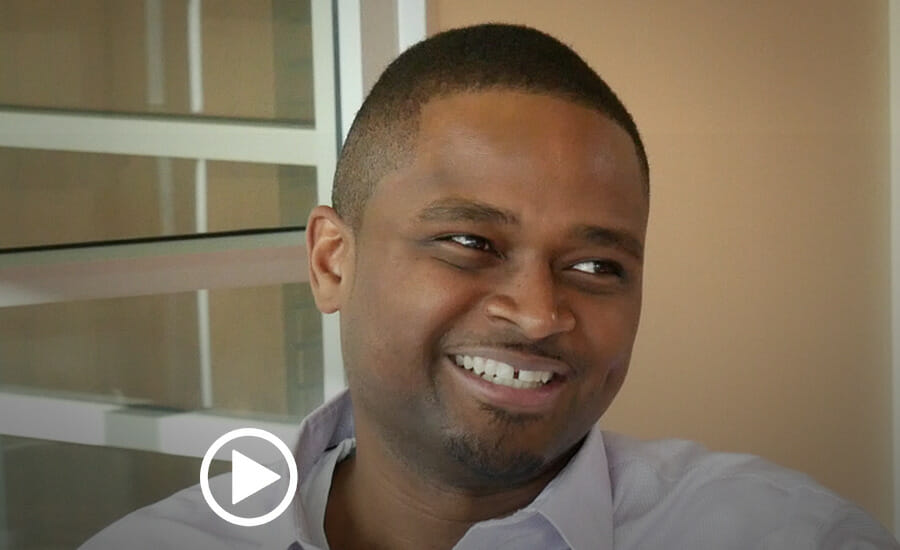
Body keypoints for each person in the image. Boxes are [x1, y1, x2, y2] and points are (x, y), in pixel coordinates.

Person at [82, 23, 898, 550]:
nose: (540, 314)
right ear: (334, 261)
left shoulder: (784, 535)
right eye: (470, 243)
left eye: (595, 266)